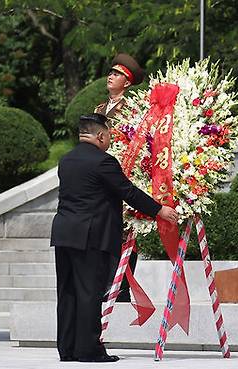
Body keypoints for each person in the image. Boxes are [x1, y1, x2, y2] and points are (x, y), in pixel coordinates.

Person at [50, 113, 177, 362]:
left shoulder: (66, 160)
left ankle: (68, 348)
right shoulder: (103, 162)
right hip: (90, 235)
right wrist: (159, 210)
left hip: (64, 233)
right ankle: (88, 350)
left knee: (68, 292)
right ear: (100, 135)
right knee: (89, 292)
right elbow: (127, 191)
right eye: (108, 135)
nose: (109, 140)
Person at [95, 53, 145, 302]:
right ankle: (106, 281)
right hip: (101, 179)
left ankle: (122, 286)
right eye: (111, 72)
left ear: (127, 82)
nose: (110, 76)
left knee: (125, 230)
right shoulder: (99, 109)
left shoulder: (133, 109)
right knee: (103, 230)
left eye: (117, 74)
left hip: (123, 175)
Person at [94, 53, 144, 120]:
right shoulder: (99, 109)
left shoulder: (130, 109)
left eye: (115, 75)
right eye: (110, 74)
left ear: (126, 83)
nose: (110, 77)